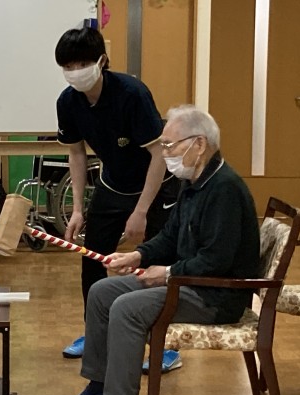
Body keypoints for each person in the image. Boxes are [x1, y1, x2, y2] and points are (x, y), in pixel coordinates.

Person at [57, 105, 261, 395]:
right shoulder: (194, 182)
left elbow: (216, 259)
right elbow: (170, 237)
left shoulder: (224, 189)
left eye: (170, 145)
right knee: (102, 292)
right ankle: (100, 385)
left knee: (127, 308)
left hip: (215, 295)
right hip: (189, 282)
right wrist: (138, 256)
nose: (165, 153)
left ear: (199, 144)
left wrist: (167, 273)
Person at [55, 26, 181, 371]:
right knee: (92, 258)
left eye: (82, 64)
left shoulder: (131, 94)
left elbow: (159, 155)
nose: (75, 72)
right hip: (113, 185)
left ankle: (165, 344)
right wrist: (77, 209)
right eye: (68, 66)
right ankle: (95, 334)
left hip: (156, 185)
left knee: (156, 265)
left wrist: (140, 212)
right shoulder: (68, 102)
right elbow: (76, 154)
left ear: (102, 61)